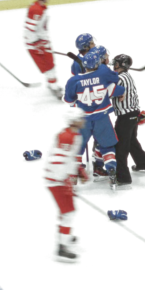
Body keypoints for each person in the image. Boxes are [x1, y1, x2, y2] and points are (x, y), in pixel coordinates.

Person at [63, 47, 125, 187]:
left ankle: (73, 174)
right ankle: (111, 170)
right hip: (101, 119)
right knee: (107, 146)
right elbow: (114, 84)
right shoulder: (103, 73)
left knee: (77, 146)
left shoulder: (74, 80)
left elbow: (68, 100)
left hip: (81, 120)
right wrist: (122, 90)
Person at [44, 107, 91, 263]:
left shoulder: (73, 135)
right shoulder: (67, 137)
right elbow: (58, 160)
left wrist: (79, 171)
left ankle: (65, 235)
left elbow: (69, 158)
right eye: (81, 118)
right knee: (69, 212)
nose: (83, 120)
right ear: (74, 121)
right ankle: (62, 248)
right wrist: (64, 181)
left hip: (59, 179)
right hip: (56, 180)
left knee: (66, 211)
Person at [111, 54, 145, 188]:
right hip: (133, 114)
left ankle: (123, 178)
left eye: (116, 64)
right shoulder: (126, 76)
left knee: (120, 147)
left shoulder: (120, 78)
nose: (114, 66)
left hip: (126, 117)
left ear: (123, 65)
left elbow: (109, 91)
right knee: (131, 141)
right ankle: (143, 164)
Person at [24, 0, 64, 99]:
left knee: (49, 64)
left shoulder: (40, 7)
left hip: (41, 41)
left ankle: (51, 84)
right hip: (37, 44)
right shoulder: (36, 9)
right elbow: (29, 29)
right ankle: (54, 87)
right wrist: (36, 43)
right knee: (49, 65)